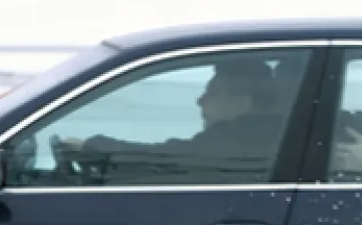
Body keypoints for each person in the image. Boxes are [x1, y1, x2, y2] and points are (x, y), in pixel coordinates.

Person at [59, 58, 289, 182]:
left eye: (214, 92)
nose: (200, 101)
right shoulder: (269, 136)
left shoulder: (236, 144)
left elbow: (164, 159)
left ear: (243, 104)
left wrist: (94, 149)